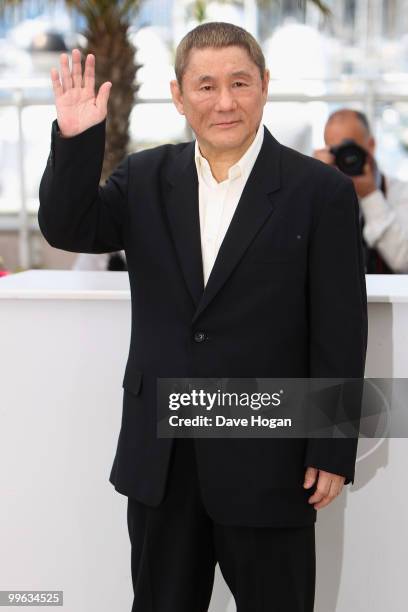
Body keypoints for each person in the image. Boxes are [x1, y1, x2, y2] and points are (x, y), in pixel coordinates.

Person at [38, 22, 367, 612]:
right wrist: (76, 138)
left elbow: (340, 328)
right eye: (206, 85)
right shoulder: (143, 178)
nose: (224, 101)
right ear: (179, 95)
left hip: (272, 458)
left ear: (265, 86)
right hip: (162, 463)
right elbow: (69, 227)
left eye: (239, 83)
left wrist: (332, 446)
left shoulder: (320, 193)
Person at [314, 108, 408, 273]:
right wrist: (313, 180)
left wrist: (370, 195)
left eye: (349, 148)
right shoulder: (322, 193)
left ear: (370, 145)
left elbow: (403, 261)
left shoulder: (401, 193)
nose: (345, 158)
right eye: (336, 151)